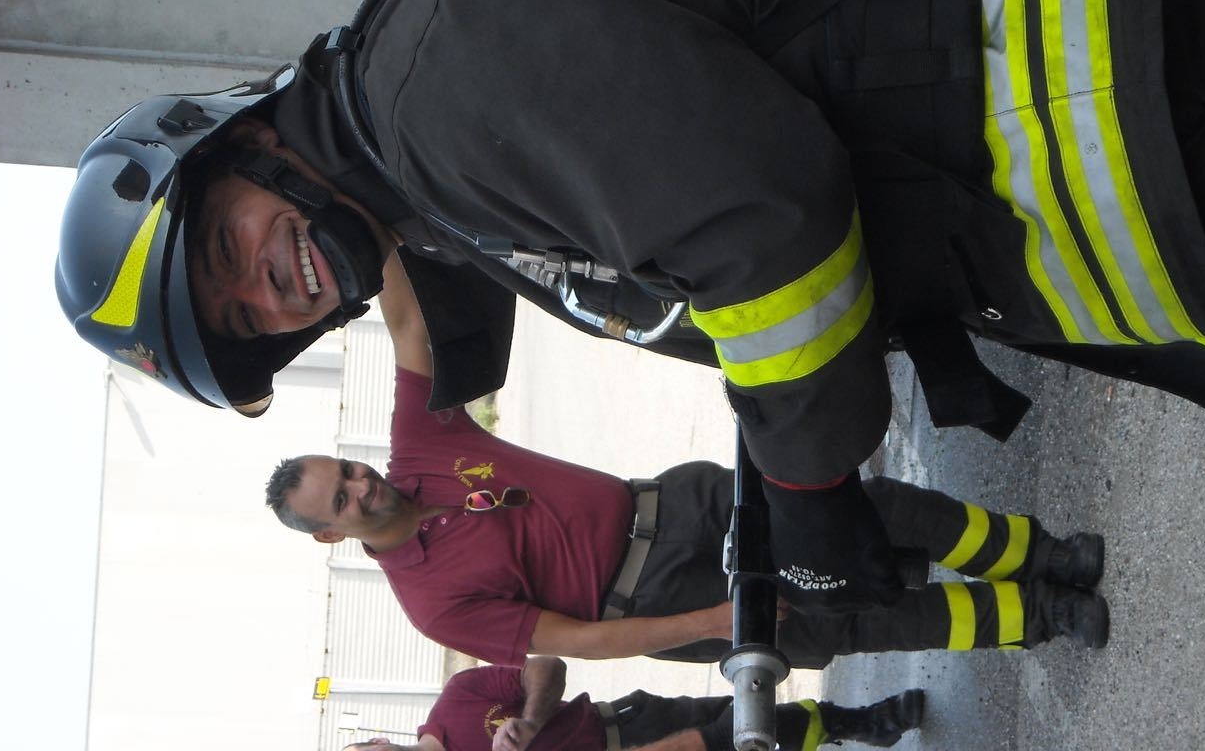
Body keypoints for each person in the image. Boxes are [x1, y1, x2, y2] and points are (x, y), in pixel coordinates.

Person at [56, 0, 1205, 612]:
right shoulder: (416, 185)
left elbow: (758, 217)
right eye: (242, 318)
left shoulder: (430, 84)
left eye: (225, 246)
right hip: (1071, 150)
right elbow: (679, 279)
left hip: (1093, 105)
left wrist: (806, 489)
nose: (266, 286)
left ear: (241, 143)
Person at [264, 254, 1109, 667]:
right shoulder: (430, 605)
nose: (361, 486)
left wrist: (359, 220)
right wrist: (710, 624)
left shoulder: (421, 445)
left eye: (346, 471)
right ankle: (1042, 614)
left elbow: (408, 323)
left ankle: (1041, 553)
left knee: (863, 510)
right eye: (340, 501)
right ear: (331, 537)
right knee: (848, 622)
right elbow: (577, 640)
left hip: (678, 503)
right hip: (659, 600)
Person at [340, 656, 924, 751]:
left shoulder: (456, 699)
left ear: (375, 742)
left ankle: (864, 723)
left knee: (750, 718)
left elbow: (547, 666)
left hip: (629, 725)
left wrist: (530, 719)